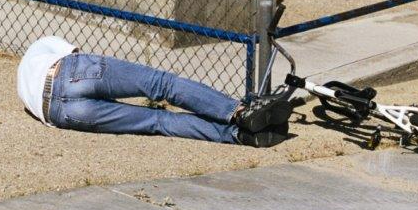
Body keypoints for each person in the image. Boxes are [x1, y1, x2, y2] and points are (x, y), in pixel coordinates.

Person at [17, 36, 291, 147]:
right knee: (162, 84)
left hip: (57, 112)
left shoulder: (24, 93)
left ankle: (240, 135)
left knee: (157, 122)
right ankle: (240, 113)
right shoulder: (42, 45)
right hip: (66, 71)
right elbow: (76, 55)